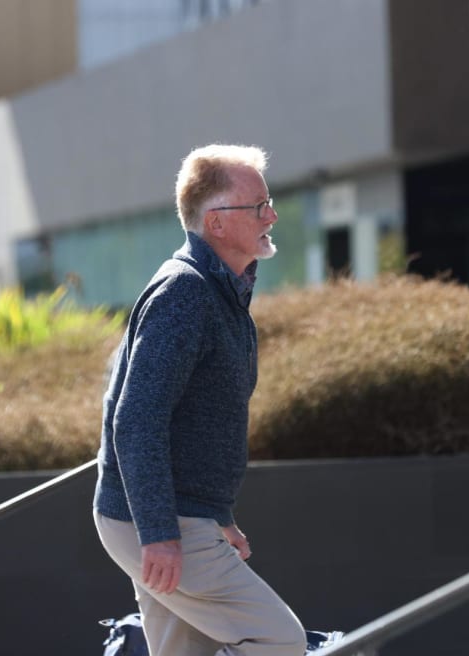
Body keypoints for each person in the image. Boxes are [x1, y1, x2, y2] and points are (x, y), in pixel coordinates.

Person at [93, 144, 307, 656]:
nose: (271, 215)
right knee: (278, 642)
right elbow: (135, 419)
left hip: (174, 515)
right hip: (155, 520)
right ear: (216, 222)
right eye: (258, 206)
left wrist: (217, 516)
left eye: (268, 202)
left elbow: (191, 424)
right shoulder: (186, 292)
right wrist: (161, 532)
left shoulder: (221, 294)